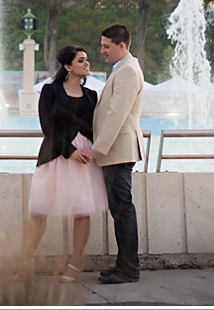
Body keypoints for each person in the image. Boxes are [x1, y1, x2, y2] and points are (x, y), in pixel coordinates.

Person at [16, 45, 108, 283]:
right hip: (56, 155)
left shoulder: (92, 96)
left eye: (87, 59)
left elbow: (94, 127)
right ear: (68, 66)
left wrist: (90, 150)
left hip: (83, 161)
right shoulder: (50, 91)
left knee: (82, 210)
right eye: (81, 60)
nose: (87, 63)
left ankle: (74, 264)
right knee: (39, 211)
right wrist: (70, 151)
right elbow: (47, 126)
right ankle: (26, 262)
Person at [91, 24, 146, 284]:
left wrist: (98, 147)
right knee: (120, 208)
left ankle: (128, 268)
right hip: (116, 150)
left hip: (118, 150)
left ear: (122, 46)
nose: (102, 50)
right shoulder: (122, 69)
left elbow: (117, 114)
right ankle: (124, 265)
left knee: (123, 209)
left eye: (106, 46)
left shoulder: (128, 71)